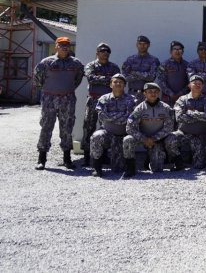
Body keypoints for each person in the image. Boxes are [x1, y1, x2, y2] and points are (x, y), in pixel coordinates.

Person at [33, 36, 84, 170]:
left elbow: (78, 79)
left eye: (67, 45)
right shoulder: (46, 62)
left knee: (67, 128)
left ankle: (67, 159)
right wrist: (49, 90)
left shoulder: (76, 63)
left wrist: (66, 89)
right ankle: (42, 159)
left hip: (67, 99)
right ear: (56, 46)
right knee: (46, 127)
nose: (64, 47)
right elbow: (38, 79)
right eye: (61, 45)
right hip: (49, 99)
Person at [123, 82, 181, 176]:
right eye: (149, 91)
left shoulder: (166, 108)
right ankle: (130, 168)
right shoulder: (139, 109)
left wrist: (154, 138)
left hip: (158, 139)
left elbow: (169, 127)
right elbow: (129, 127)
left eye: (155, 91)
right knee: (128, 139)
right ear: (144, 93)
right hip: (143, 138)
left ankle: (178, 163)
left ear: (158, 93)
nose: (153, 94)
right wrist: (144, 139)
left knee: (157, 169)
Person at [89, 73, 136, 176]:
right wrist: (121, 116)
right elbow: (102, 116)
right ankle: (97, 167)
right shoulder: (104, 99)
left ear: (124, 85)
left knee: (118, 168)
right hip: (108, 133)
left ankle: (130, 168)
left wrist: (111, 117)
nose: (118, 83)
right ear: (110, 85)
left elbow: (131, 117)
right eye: (115, 82)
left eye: (121, 82)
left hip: (124, 134)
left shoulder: (132, 99)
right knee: (96, 136)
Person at [82, 42, 120, 166]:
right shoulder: (90, 65)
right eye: (102, 50)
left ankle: (104, 155)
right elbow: (90, 78)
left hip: (109, 102)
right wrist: (108, 79)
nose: (105, 53)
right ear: (97, 52)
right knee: (89, 127)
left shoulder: (114, 67)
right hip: (93, 100)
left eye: (107, 51)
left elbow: (117, 81)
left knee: (106, 127)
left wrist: (102, 79)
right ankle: (87, 157)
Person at [173, 74, 206, 170]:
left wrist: (190, 113)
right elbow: (179, 117)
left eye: (200, 83)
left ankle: (197, 159)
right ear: (189, 85)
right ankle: (178, 162)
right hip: (184, 133)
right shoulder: (182, 100)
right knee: (170, 139)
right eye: (194, 83)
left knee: (199, 166)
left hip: (200, 135)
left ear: (203, 86)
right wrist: (200, 115)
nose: (197, 85)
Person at [121, 35, 160, 102]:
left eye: (145, 44)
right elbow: (125, 77)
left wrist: (135, 73)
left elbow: (151, 77)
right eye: (140, 44)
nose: (142, 46)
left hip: (148, 95)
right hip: (132, 94)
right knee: (133, 112)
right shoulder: (130, 60)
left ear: (149, 45)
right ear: (136, 45)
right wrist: (144, 75)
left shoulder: (153, 60)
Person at [156, 41, 189, 105]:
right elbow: (161, 81)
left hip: (183, 97)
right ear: (170, 52)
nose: (177, 51)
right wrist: (171, 94)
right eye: (175, 49)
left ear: (183, 52)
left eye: (179, 49)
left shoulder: (187, 65)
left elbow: (190, 82)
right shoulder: (164, 64)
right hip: (167, 98)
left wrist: (181, 93)